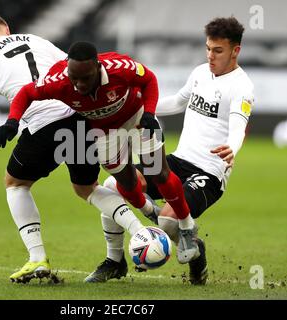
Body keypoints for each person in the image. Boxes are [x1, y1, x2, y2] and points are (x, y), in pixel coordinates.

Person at [0, 14, 151, 284]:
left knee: (15, 183)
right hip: (79, 117)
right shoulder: (35, 39)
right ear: (7, 29)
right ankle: (141, 232)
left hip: (42, 126)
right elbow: (74, 72)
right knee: (87, 188)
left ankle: (37, 257)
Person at [0, 41, 202, 275]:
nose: (79, 85)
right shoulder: (59, 80)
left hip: (138, 118)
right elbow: (26, 93)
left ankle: (186, 226)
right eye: (74, 78)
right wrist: (12, 121)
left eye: (86, 78)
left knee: (158, 172)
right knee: (128, 184)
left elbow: (149, 79)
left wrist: (150, 112)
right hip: (104, 133)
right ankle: (149, 209)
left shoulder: (119, 68)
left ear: (98, 68)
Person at [99, 16, 254, 285]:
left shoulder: (242, 86)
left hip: (209, 172)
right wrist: (137, 105)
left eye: (218, 50)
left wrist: (233, 147)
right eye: (208, 48)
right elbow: (177, 102)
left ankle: (196, 251)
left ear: (235, 50)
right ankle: (116, 259)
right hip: (179, 161)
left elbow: (239, 125)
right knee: (112, 184)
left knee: (169, 223)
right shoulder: (199, 73)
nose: (210, 56)